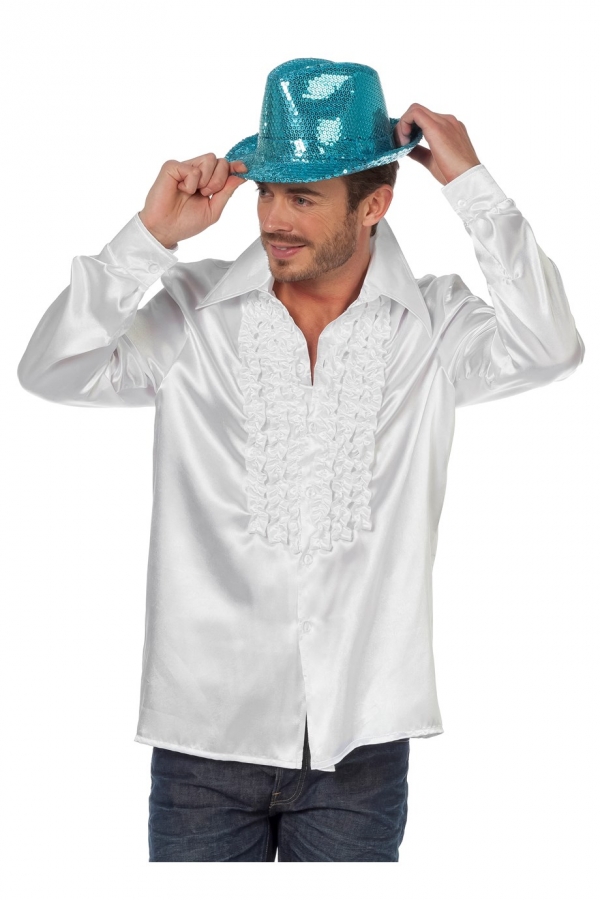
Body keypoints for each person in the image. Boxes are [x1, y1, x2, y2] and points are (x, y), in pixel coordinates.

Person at [16, 58, 585, 863]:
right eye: (268, 192)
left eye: (304, 198)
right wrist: (149, 240)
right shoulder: (193, 313)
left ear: (374, 205)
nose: (274, 220)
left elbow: (551, 348)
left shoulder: (433, 325)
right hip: (202, 741)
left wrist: (474, 189)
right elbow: (50, 369)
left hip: (361, 744)